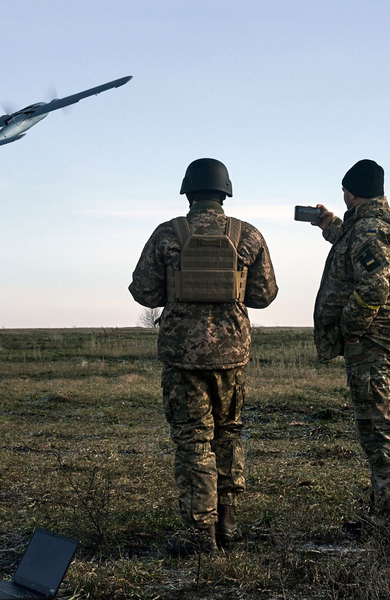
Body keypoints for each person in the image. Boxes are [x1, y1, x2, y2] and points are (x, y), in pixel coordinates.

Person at [129, 158, 278, 554]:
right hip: (232, 355)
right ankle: (227, 520)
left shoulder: (167, 234)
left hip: (182, 357)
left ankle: (201, 533)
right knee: (229, 432)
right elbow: (264, 296)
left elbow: (143, 292)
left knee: (194, 439)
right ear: (225, 193)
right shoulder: (249, 235)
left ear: (189, 192)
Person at [312, 159, 390, 526]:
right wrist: (330, 226)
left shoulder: (370, 229)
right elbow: (356, 249)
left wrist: (348, 327)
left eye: (343, 191)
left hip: (374, 341)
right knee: (375, 423)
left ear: (350, 191)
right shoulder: (383, 224)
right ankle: (384, 508)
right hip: (386, 336)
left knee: (377, 427)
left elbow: (373, 286)